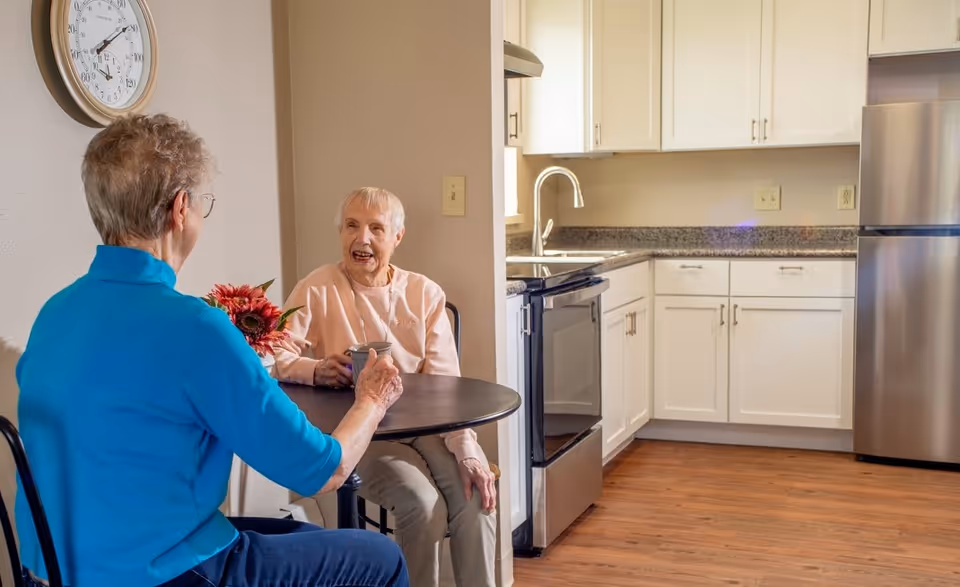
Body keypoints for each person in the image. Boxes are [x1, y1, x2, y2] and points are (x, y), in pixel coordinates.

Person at [14, 115, 409, 587]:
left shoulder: (54, 314)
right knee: (381, 558)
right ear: (181, 209)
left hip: (52, 573)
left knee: (298, 532)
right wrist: (372, 399)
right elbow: (323, 471)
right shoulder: (194, 326)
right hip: (164, 574)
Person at [275, 187, 497, 587]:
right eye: (352, 226)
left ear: (397, 237)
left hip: (429, 429)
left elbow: (448, 388)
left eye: (376, 229)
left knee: (476, 495)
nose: (362, 239)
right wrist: (314, 369)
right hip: (362, 433)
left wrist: (468, 452)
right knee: (422, 505)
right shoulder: (317, 287)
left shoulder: (424, 294)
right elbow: (274, 356)